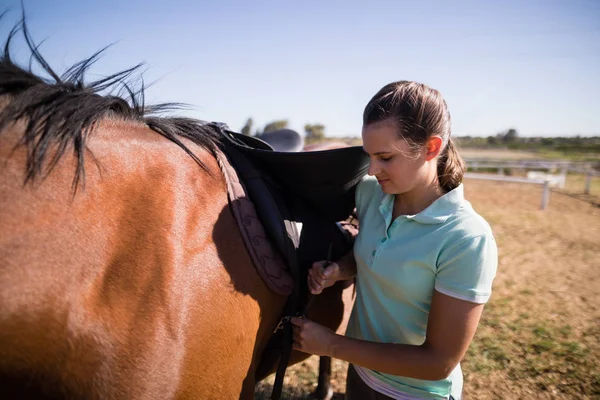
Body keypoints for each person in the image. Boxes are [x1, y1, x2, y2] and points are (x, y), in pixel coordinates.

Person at [290, 81, 498, 400]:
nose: (372, 170)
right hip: (359, 377)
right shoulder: (372, 195)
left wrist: (331, 344)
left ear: (431, 148)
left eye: (385, 157)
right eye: (370, 156)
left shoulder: (466, 238)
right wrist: (340, 269)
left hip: (416, 393)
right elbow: (376, 253)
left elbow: (438, 362)